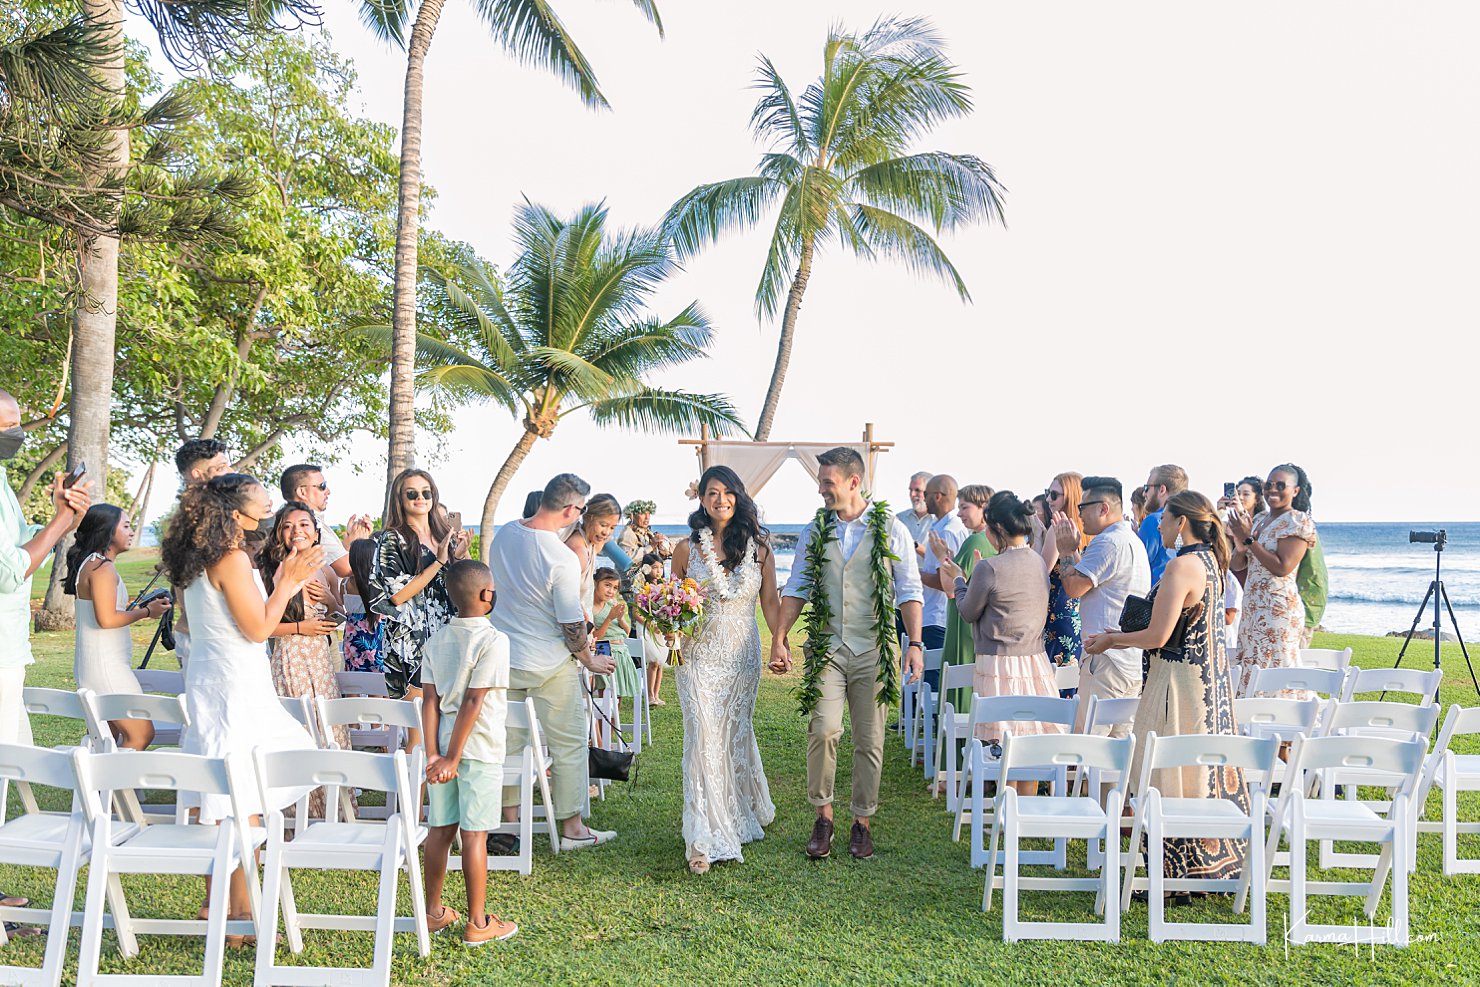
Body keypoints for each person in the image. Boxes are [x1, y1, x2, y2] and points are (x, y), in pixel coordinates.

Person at [159, 473, 320, 933]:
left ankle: (224, 906)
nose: (270, 498)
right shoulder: (230, 558)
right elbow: (257, 628)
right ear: (236, 511)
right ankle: (240, 910)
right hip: (235, 683)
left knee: (227, 793)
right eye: (261, 493)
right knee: (241, 793)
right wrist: (287, 582)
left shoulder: (198, 558)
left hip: (214, 677)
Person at [1085, 491, 1249, 896]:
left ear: (1181, 522)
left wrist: (1113, 640)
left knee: (1165, 773)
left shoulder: (1182, 565)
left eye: (1164, 519)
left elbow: (1159, 635)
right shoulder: (1213, 561)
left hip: (1176, 681)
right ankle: (1195, 873)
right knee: (1196, 775)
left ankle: (1174, 878)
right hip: (1208, 681)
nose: (1157, 525)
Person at [771, 447, 924, 861]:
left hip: (874, 649)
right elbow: (798, 585)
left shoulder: (891, 529)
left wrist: (914, 643)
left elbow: (909, 591)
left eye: (827, 482)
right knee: (823, 730)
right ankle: (823, 815)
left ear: (853, 482)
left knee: (870, 740)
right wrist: (780, 636)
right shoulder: (813, 530)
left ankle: (862, 822)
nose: (821, 490)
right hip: (827, 648)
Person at [490, 473, 617, 850]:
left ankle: (506, 822)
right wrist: (589, 659)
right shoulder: (560, 557)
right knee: (569, 743)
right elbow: (571, 623)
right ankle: (573, 828)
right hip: (547, 662)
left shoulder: (505, 535)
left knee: (508, 743)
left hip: (503, 657)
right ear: (570, 509)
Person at [670, 466, 780, 873]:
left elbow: (769, 601)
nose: (721, 499)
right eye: (712, 493)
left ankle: (739, 812)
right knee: (702, 738)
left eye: (728, 492)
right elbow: (673, 601)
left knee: (732, 734)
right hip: (697, 657)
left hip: (741, 658)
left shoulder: (759, 548)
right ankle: (704, 836)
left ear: (738, 497)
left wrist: (780, 641)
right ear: (701, 499)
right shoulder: (686, 549)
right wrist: (668, 625)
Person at [420, 560, 518, 945]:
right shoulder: (495, 640)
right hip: (476, 750)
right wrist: (454, 759)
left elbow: (429, 702)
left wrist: (434, 754)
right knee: (474, 836)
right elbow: (474, 702)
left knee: (440, 830)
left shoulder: (437, 640)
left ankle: (433, 911)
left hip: (443, 747)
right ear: (486, 595)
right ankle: (478, 923)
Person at [938, 491, 1056, 796]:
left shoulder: (988, 568)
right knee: (1028, 740)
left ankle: (1007, 808)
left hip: (998, 662)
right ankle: (1025, 805)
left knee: (1001, 742)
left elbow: (966, 612)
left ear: (998, 530)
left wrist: (959, 580)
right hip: (1035, 660)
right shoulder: (1039, 562)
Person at [260, 502, 352, 817]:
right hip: (289, 658)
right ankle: (300, 814)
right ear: (279, 533)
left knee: (330, 730)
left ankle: (336, 812)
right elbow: (262, 626)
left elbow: (340, 616)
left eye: (303, 525)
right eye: (288, 525)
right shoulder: (272, 569)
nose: (296, 531)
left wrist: (330, 600)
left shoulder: (325, 569)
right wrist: (302, 627)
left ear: (316, 533)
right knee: (300, 730)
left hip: (322, 662)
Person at [64, 504, 171, 750]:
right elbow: (108, 619)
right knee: (141, 734)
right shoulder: (102, 568)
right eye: (125, 526)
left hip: (98, 664)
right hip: (106, 668)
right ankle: (111, 784)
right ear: (107, 531)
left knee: (108, 740)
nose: (131, 531)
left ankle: (102, 788)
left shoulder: (93, 564)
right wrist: (147, 612)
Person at [1052, 476, 1151, 734]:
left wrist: (1064, 551)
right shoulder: (1131, 540)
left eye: (1083, 508)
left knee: (1086, 749)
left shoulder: (1107, 542)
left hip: (1106, 658)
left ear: (1103, 508)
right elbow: (1090, 579)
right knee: (1116, 756)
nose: (1079, 515)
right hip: (1127, 658)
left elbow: (1073, 588)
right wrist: (1074, 552)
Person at [369, 469, 470, 720]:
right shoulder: (393, 539)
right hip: (412, 640)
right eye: (411, 493)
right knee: (420, 732)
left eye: (426, 492)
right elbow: (397, 595)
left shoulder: (442, 536)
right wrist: (437, 562)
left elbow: (462, 587)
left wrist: (461, 556)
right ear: (399, 499)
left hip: (449, 634)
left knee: (449, 725)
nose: (420, 498)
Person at [1228, 465, 1317, 696]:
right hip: (1253, 607)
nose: (1272, 490)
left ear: (1295, 491)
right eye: (1269, 485)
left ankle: (1287, 721)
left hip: (1277, 610)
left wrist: (1248, 539)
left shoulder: (1297, 522)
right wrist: (1240, 542)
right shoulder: (1258, 519)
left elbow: (1282, 567)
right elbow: (1238, 564)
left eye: (1281, 485)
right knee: (1251, 665)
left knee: (1277, 668)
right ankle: (1252, 719)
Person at [932, 482, 995, 790]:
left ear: (983, 508)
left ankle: (954, 773)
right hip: (981, 631)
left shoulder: (975, 542)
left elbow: (953, 589)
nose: (960, 513)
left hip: (964, 629)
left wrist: (943, 559)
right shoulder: (988, 542)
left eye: (965, 507)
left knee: (959, 698)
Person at [170, 438, 231, 665]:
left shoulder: (216, 516)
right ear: (197, 474)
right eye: (221, 467)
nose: (230, 472)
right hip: (206, 639)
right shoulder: (194, 522)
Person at [1036, 472, 1089, 689]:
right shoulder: (1087, 530)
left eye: (1054, 495)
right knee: (1073, 682)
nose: (1048, 499)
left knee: (1055, 686)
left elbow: (1040, 571)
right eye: (1048, 493)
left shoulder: (1057, 530)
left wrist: (1037, 537)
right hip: (1079, 613)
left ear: (1070, 497)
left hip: (1057, 612)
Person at [279, 464, 372, 579]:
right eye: (322, 486)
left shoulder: (289, 520)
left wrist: (350, 543)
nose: (328, 491)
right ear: (302, 492)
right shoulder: (307, 526)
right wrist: (360, 544)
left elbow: (331, 560)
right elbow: (346, 567)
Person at [919, 474, 967, 684]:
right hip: (934, 614)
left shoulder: (947, 532)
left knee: (935, 682)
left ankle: (935, 718)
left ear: (937, 496)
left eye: (925, 494)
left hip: (938, 617)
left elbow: (945, 582)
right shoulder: (944, 527)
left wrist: (913, 574)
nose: (922, 498)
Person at [564, 493, 622, 620]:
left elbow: (596, 547)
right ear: (588, 518)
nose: (606, 532)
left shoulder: (590, 543)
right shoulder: (579, 551)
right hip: (571, 624)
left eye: (612, 527)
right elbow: (563, 595)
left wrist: (602, 539)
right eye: (603, 525)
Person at [591, 568, 640, 701]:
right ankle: (605, 722)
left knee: (617, 700)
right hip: (605, 651)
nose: (611, 591)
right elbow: (594, 638)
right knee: (606, 699)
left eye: (615, 588)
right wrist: (608, 618)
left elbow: (627, 631)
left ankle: (613, 723)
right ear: (595, 583)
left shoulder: (612, 603)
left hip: (622, 653)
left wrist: (620, 618)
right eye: (607, 585)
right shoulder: (590, 608)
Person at [1139, 464, 1188, 586]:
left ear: (1162, 489)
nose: (1144, 494)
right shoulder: (1188, 522)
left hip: (1153, 596)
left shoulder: (1154, 521)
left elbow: (1136, 567)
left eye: (1146, 488)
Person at [631, 552, 670, 705]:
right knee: (653, 661)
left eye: (660, 567)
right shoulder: (641, 588)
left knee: (660, 662)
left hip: (660, 627)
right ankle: (649, 695)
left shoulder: (664, 586)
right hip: (647, 627)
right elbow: (636, 612)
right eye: (654, 567)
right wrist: (650, 625)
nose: (658, 571)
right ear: (646, 569)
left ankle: (656, 694)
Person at [341, 538, 385, 672]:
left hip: (353, 640)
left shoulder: (345, 584)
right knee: (379, 684)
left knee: (354, 682)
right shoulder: (381, 585)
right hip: (378, 637)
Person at [896, 471, 934, 560]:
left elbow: (941, 560)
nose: (912, 494)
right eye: (910, 490)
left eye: (917, 490)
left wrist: (912, 544)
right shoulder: (900, 518)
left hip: (928, 574)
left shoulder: (939, 521)